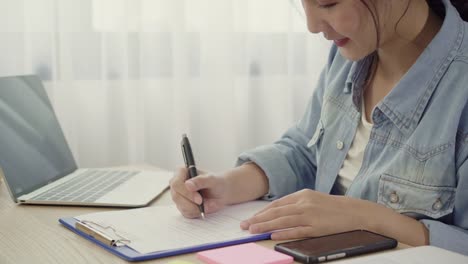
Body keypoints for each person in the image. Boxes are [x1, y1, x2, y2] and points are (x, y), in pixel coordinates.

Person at [169, 0, 468, 255]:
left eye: (328, 3)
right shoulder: (349, 52)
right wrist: (227, 185)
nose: (312, 25)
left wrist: (366, 218)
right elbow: (304, 151)